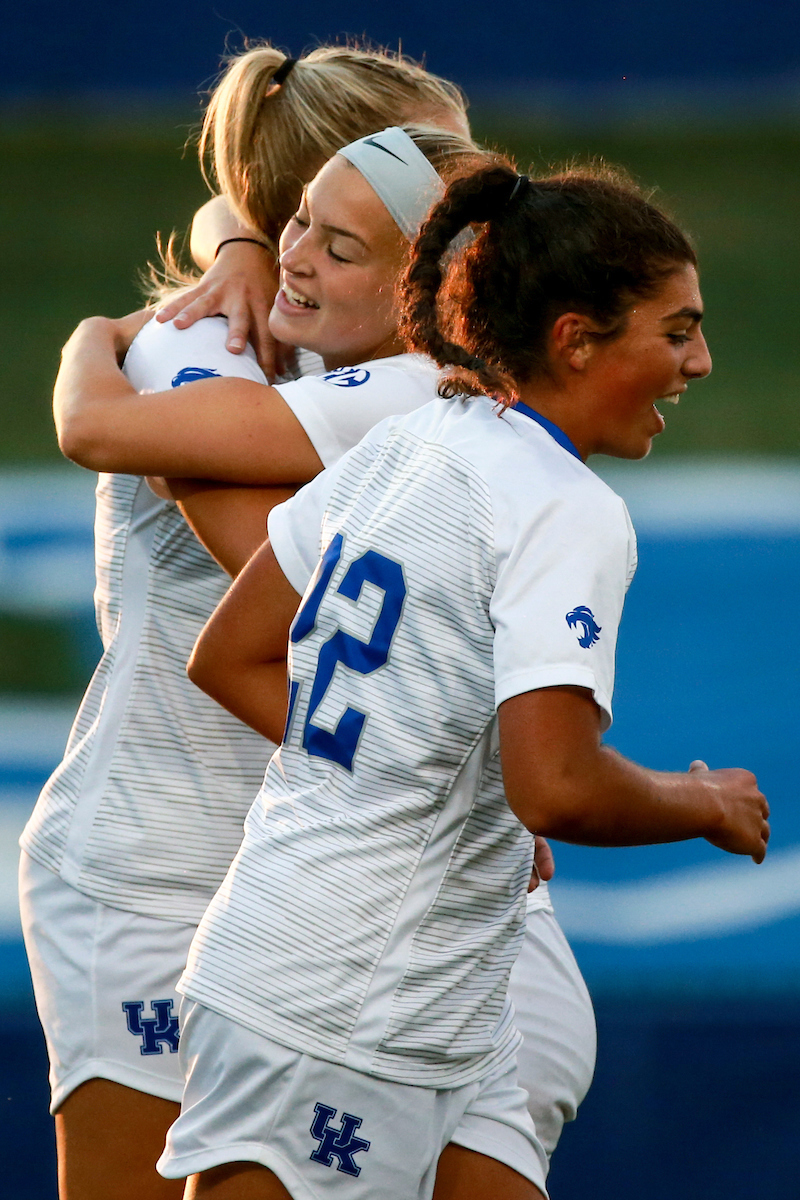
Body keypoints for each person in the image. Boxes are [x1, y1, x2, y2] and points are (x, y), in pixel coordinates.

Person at [153, 159, 768, 1200]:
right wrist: (700, 800)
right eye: (675, 331)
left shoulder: (409, 439)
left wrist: (398, 777)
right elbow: (556, 787)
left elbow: (234, 652)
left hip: (342, 974)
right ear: (574, 338)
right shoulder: (563, 509)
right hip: (347, 1004)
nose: (698, 362)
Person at [17, 43, 479, 1200]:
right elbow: (301, 611)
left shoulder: (371, 356)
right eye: (428, 170)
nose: (468, 201)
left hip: (292, 878)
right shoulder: (201, 352)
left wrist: (117, 317)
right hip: (151, 871)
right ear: (319, 205)